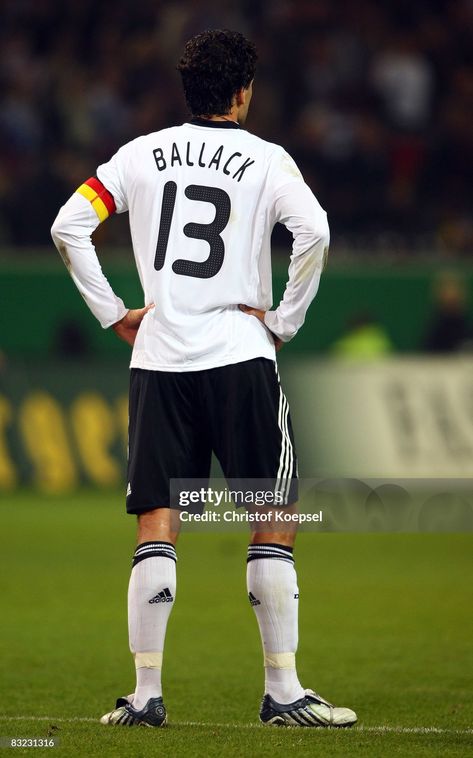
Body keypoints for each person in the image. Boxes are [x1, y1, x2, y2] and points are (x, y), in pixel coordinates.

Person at [51, 29, 356, 729]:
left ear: (187, 90)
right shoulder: (266, 159)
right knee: (272, 517)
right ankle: (282, 692)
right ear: (243, 92)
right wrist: (284, 319)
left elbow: (69, 226)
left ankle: (144, 694)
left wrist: (112, 314)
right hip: (239, 355)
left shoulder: (139, 155)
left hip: (159, 357)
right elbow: (314, 232)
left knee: (157, 521)